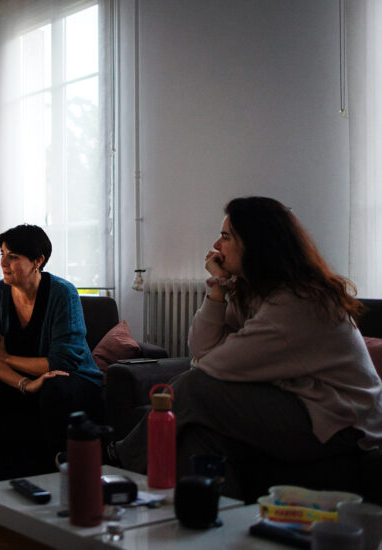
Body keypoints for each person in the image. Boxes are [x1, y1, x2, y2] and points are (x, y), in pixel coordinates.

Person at [111, 196, 382, 499]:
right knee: (197, 436)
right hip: (303, 404)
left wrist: (205, 364)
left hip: (341, 424)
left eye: (226, 237)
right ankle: (214, 529)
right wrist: (217, 289)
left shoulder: (297, 304)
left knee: (194, 389)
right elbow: (202, 350)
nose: (216, 244)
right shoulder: (257, 291)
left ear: (255, 243)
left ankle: (115, 462)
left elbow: (205, 367)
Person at [0, 224, 103, 483]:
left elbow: (62, 363)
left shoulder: (63, 293)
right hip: (23, 381)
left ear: (38, 260)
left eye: (13, 257)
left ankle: (59, 485)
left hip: (74, 381)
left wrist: (5, 357)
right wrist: (26, 384)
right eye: (2, 254)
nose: (3, 263)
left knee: (54, 387)